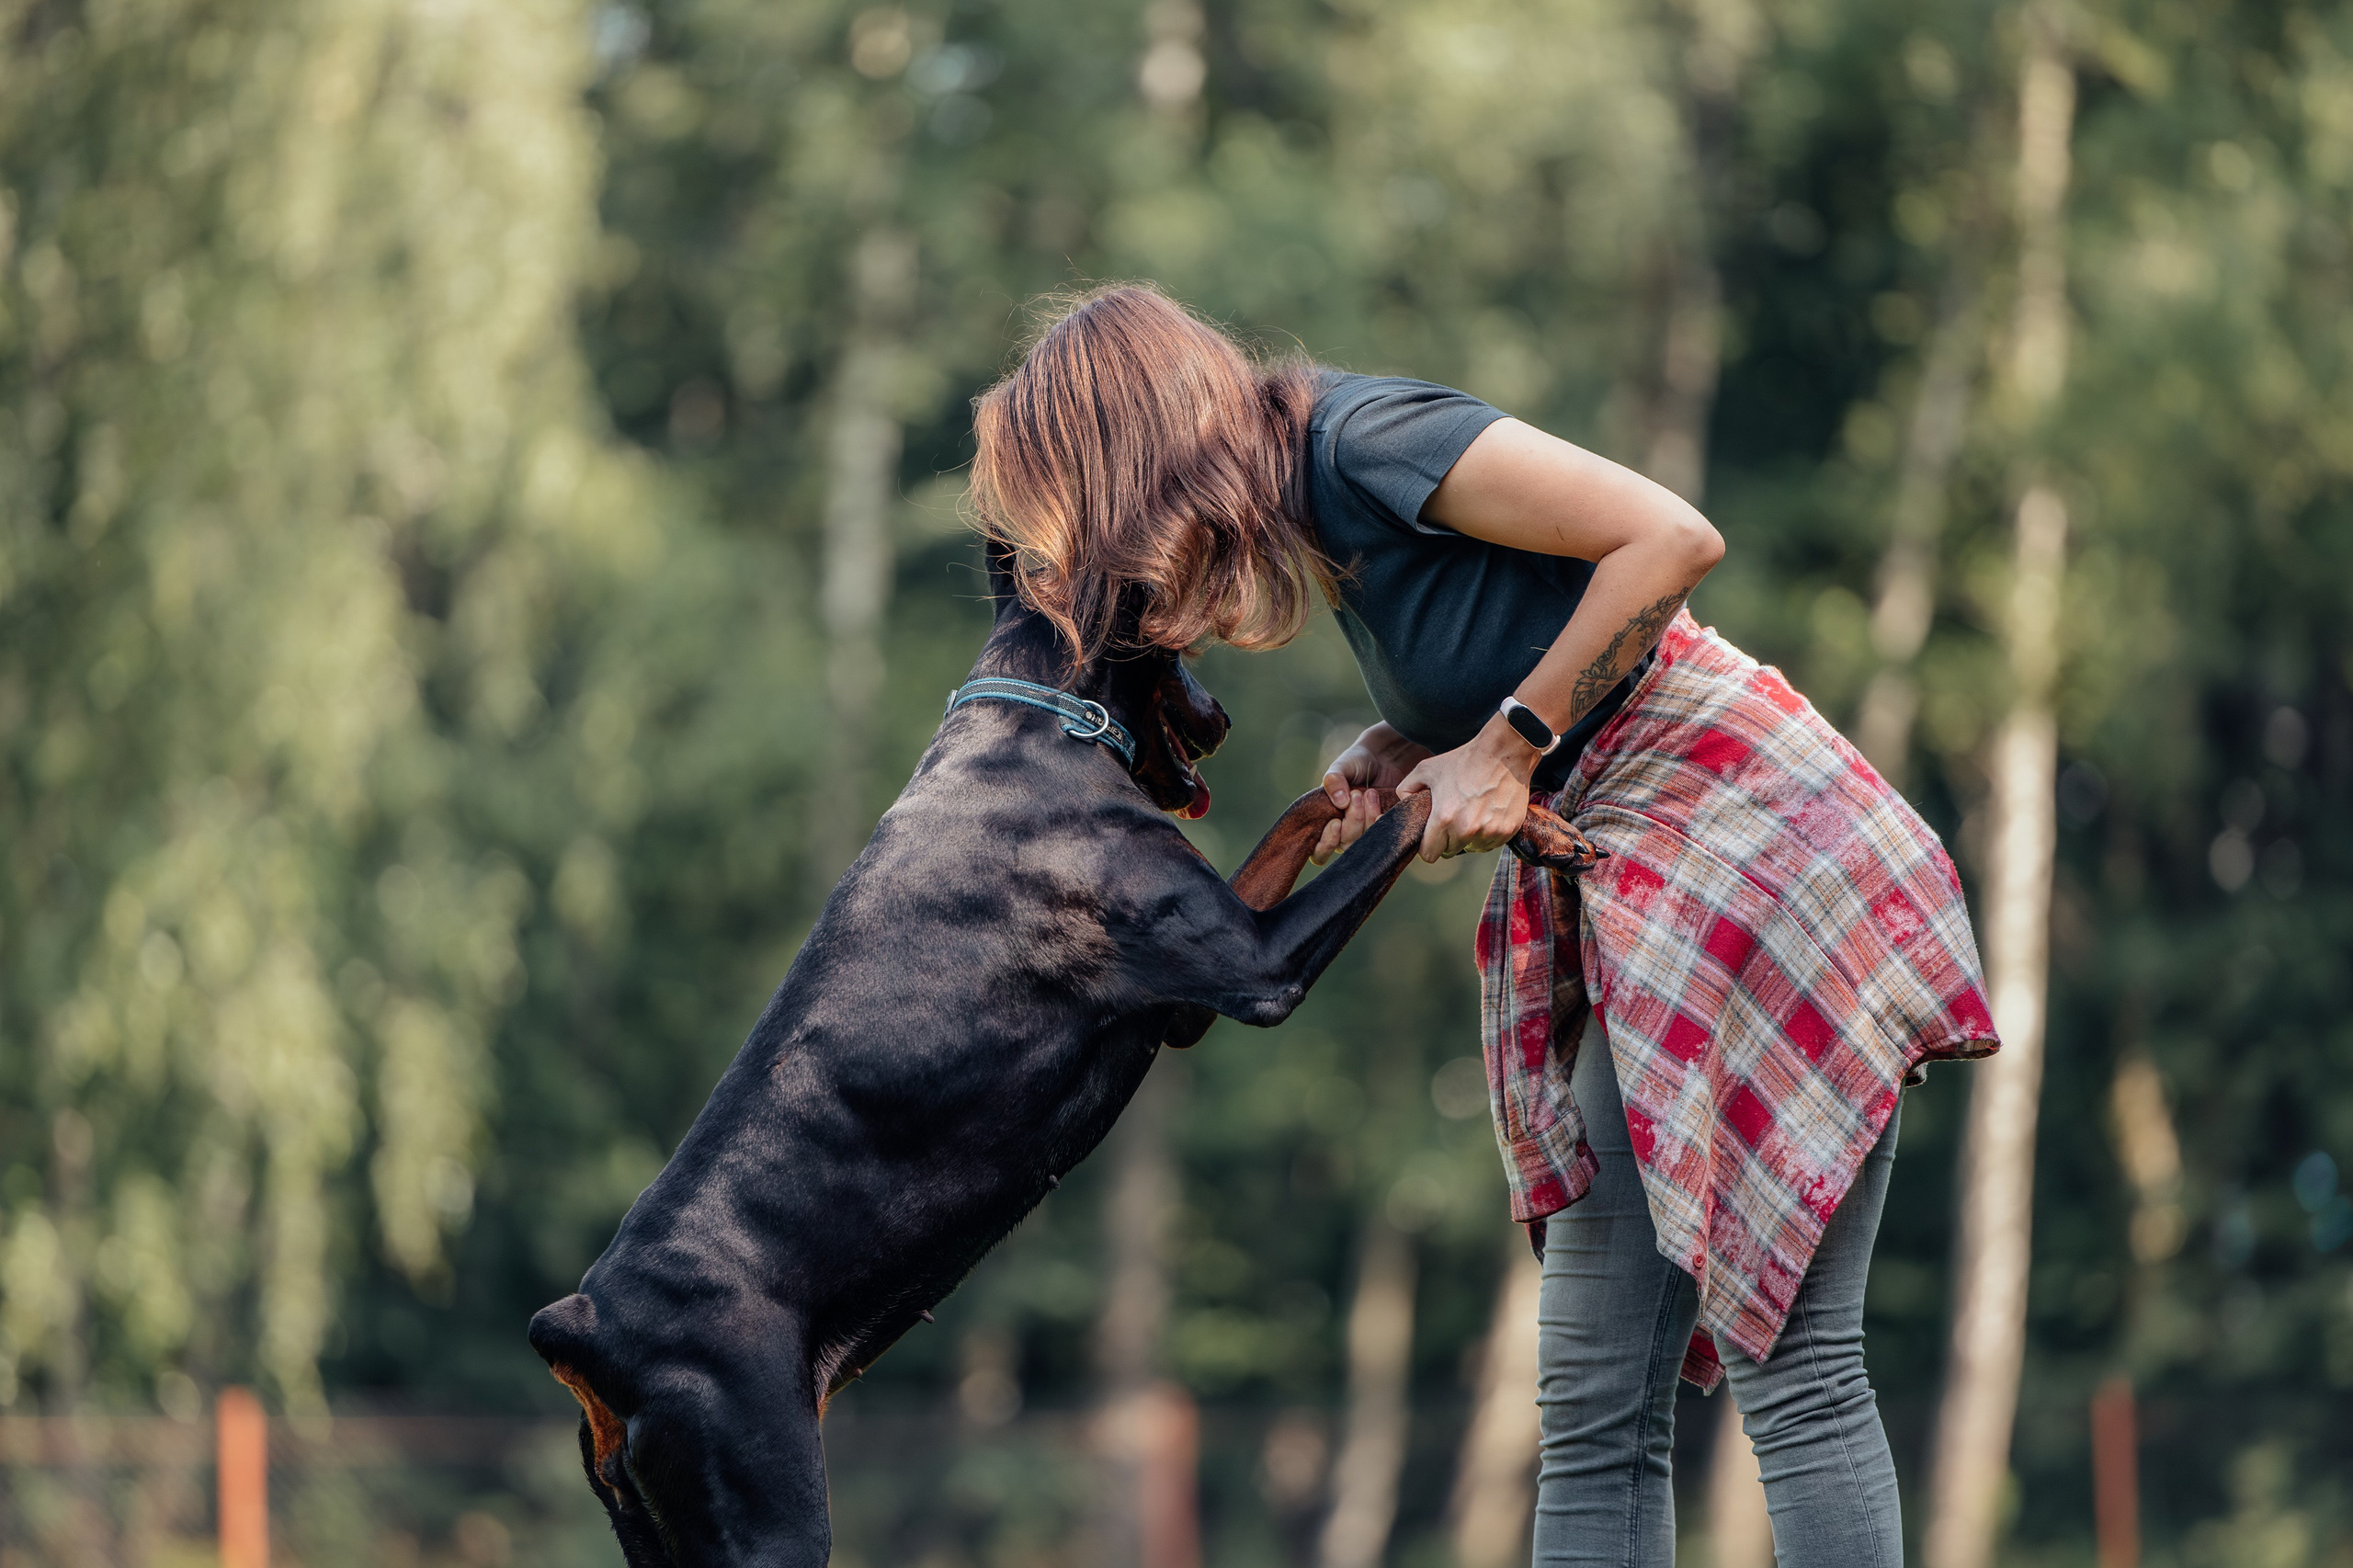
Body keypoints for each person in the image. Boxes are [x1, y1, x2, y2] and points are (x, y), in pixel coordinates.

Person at [969, 282, 1997, 1568]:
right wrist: (1421, 739)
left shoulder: (1363, 443)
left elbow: (1669, 540)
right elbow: (1529, 626)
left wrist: (1509, 742)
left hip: (1754, 839)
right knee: (1592, 1400)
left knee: (1790, 1361)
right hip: (1642, 873)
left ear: (1158, 455)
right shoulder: (1321, 513)